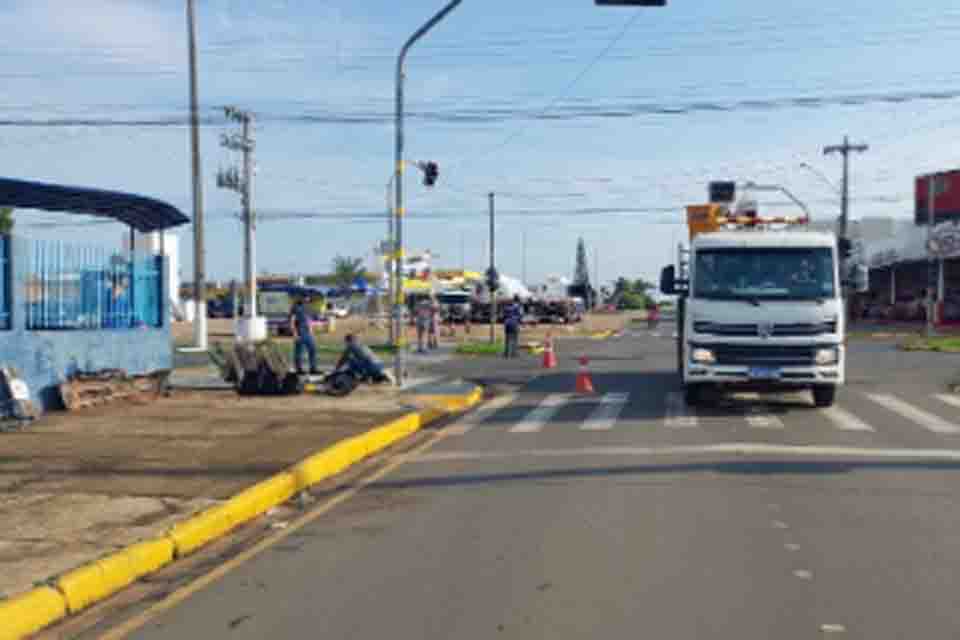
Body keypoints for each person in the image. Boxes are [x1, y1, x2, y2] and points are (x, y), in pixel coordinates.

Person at [289, 295, 318, 375]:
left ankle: (313, 368)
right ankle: (298, 369)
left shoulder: (309, 308)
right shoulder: (296, 308)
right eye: (305, 297)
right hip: (300, 332)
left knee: (312, 349)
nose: (307, 299)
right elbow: (292, 321)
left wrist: (312, 332)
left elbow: (310, 321)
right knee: (299, 352)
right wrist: (294, 333)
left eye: (308, 297)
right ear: (301, 298)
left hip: (308, 333)